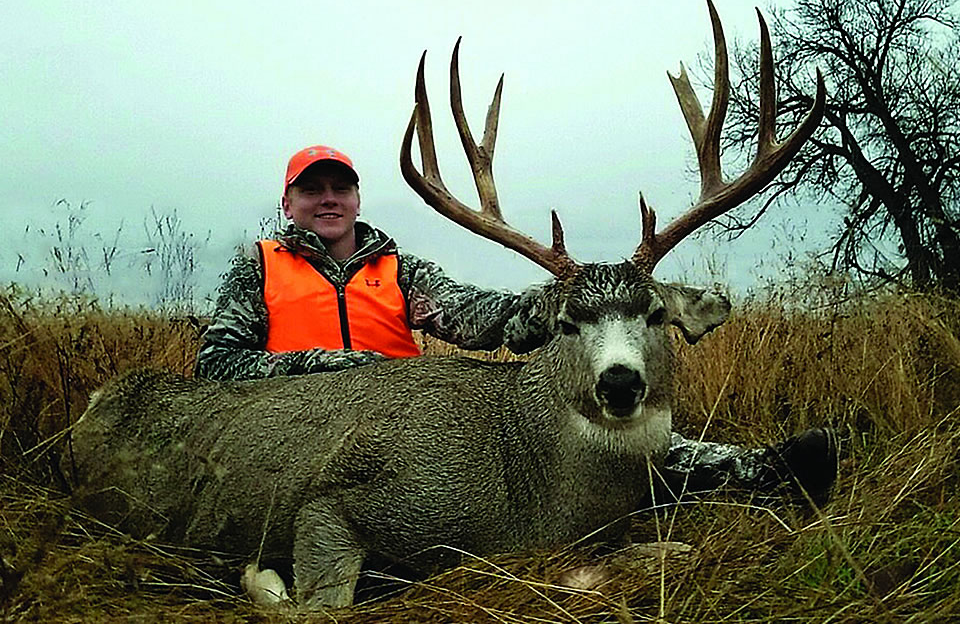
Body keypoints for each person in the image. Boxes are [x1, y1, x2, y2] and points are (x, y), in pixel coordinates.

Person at [195, 144, 838, 505]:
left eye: (340, 188)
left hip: (401, 422)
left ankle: (759, 472)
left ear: (358, 199)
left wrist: (563, 304)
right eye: (312, 190)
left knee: (583, 438)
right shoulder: (257, 269)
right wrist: (337, 366)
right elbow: (217, 367)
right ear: (288, 203)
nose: (328, 199)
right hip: (298, 426)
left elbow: (477, 316)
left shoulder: (401, 270)